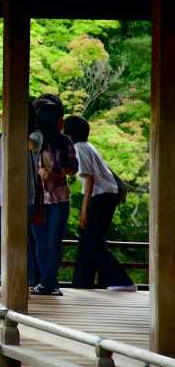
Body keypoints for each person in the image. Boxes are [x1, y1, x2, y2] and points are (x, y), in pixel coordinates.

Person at [0, 101, 43, 291]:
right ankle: (3, 280)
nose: (4, 118)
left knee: (20, 240)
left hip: (22, 196)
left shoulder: (35, 135)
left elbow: (30, 145)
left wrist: (11, 124)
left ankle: (26, 281)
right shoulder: (3, 135)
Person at [63, 116, 137, 291]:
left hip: (101, 197)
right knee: (89, 241)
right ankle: (83, 284)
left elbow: (89, 179)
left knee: (91, 242)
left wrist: (83, 210)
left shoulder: (79, 148)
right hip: (107, 195)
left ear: (69, 133)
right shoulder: (87, 146)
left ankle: (122, 281)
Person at [32, 100, 78, 296]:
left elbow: (73, 167)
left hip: (59, 198)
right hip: (37, 198)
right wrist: (39, 170)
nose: (62, 121)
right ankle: (48, 282)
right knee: (40, 242)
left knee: (53, 241)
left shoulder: (64, 140)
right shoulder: (33, 140)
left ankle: (48, 282)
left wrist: (57, 173)